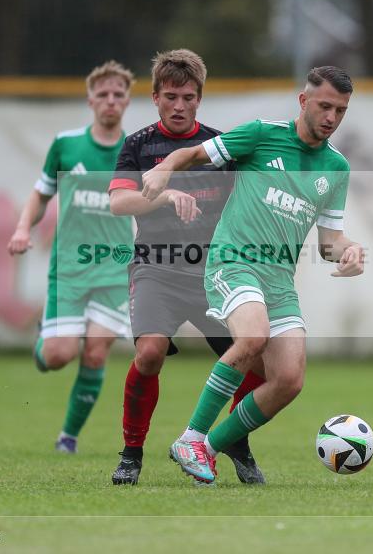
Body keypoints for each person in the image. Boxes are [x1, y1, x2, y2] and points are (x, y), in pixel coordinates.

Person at [141, 65, 365, 485]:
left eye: (341, 110)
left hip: (279, 282)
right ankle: (191, 436)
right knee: (252, 336)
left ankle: (208, 449)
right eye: (324, 106)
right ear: (304, 101)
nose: (331, 118)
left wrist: (349, 251)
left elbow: (328, 241)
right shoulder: (262, 134)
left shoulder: (336, 168)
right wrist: (164, 167)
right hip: (234, 262)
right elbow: (193, 153)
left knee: (289, 380)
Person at [107, 49, 266, 486]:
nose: (180, 106)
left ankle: (234, 440)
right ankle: (132, 453)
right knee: (150, 353)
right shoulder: (138, 145)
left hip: (212, 273)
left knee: (259, 368)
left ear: (200, 99)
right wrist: (163, 195)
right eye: (171, 97)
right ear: (155, 97)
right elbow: (119, 201)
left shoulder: (217, 146)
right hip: (156, 270)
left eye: (189, 97)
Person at [7, 60, 135, 453]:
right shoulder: (66, 145)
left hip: (115, 269)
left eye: (118, 95)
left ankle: (68, 437)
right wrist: (23, 227)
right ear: (90, 100)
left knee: (95, 353)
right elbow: (41, 193)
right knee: (61, 355)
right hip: (70, 268)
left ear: (127, 101)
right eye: (103, 95)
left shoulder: (136, 150)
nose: (110, 101)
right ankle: (44, 345)